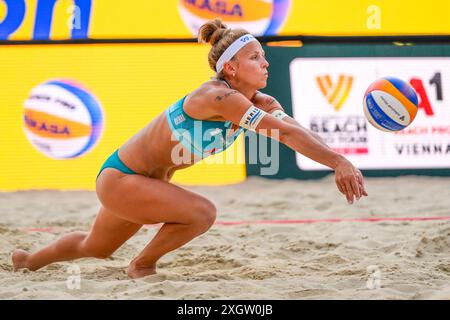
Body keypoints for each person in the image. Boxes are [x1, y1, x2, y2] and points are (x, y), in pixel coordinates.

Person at [11, 19, 368, 279]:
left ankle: (28, 261)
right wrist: (338, 162)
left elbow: (292, 130)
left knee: (96, 247)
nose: (266, 63)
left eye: (263, 57)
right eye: (256, 58)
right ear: (230, 67)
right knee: (202, 213)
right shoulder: (216, 96)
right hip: (121, 179)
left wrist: (341, 161)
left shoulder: (259, 100)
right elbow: (286, 134)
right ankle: (141, 265)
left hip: (142, 184)